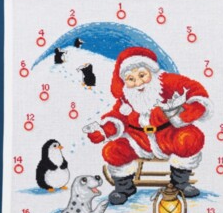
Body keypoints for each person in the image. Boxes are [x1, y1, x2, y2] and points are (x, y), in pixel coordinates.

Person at [87, 47, 213, 205]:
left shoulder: (167, 82)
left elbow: (194, 90)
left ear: (151, 71)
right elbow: (116, 117)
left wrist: (193, 109)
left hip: (168, 134)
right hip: (138, 139)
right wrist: (104, 130)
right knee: (113, 149)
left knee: (189, 137)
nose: (138, 83)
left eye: (142, 75)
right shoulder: (126, 98)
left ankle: (180, 182)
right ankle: (124, 187)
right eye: (131, 79)